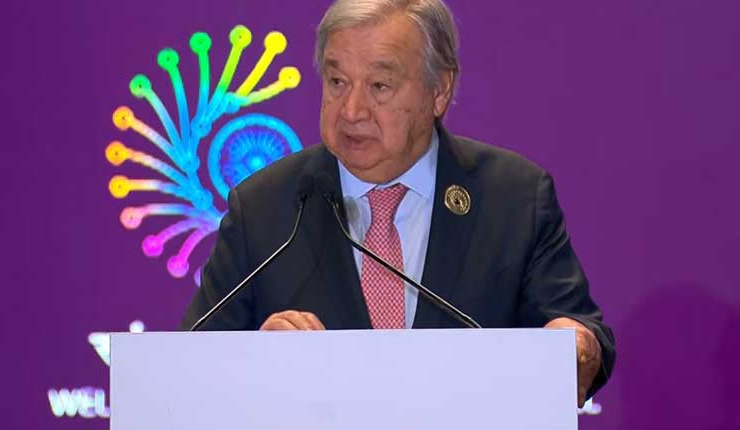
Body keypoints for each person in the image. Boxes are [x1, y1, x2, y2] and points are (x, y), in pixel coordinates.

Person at [181, 0, 615, 406]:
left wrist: (576, 346)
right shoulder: (265, 207)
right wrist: (254, 361)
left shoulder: (513, 198)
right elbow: (191, 372)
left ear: (439, 90)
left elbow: (577, 335)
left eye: (380, 86)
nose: (351, 110)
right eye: (337, 82)